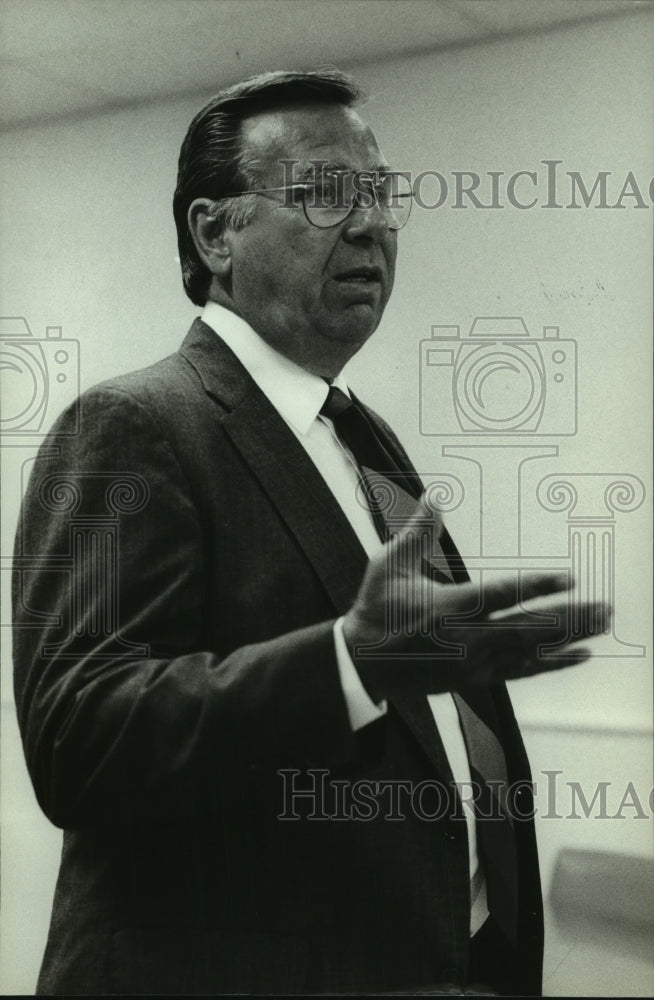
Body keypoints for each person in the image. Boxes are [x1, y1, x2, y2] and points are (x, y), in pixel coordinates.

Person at [12, 68, 609, 996]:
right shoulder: (131, 426)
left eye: (382, 195)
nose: (372, 224)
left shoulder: (369, 442)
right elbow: (80, 741)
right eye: (329, 193)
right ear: (216, 234)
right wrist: (349, 664)